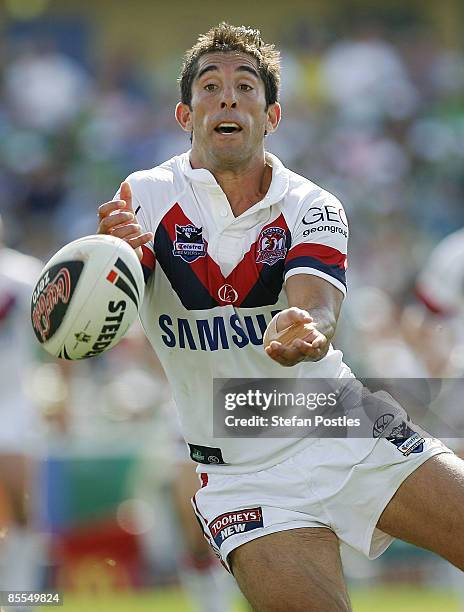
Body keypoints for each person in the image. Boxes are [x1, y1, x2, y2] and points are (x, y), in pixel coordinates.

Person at [97, 23, 464, 611]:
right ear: (183, 114)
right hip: (240, 469)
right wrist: (106, 265)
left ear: (271, 118)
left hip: (336, 417)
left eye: (246, 87)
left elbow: (315, 298)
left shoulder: (311, 203)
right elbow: (100, 311)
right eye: (210, 86)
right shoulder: (142, 196)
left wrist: (309, 327)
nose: (227, 97)